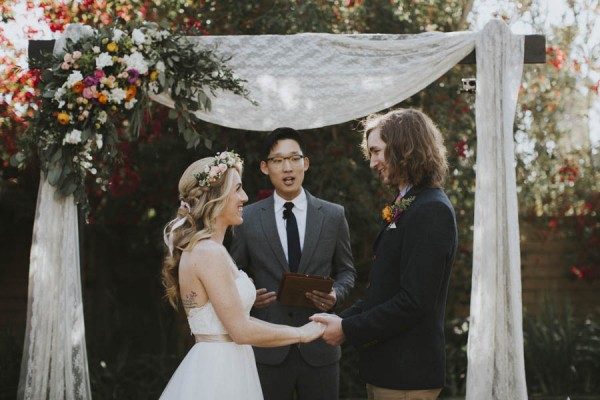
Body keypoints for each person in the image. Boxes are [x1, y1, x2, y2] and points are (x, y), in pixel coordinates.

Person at [312, 108, 458, 400]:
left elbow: (413, 302)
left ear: (405, 146)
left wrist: (348, 329)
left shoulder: (431, 210)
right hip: (389, 370)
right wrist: (340, 319)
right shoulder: (408, 203)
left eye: (377, 151)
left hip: (408, 375)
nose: (373, 163)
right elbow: (383, 290)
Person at [159, 151, 324, 400]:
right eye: (237, 189)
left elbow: (233, 321)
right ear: (216, 197)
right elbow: (241, 331)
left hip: (227, 361)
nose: (244, 197)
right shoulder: (208, 252)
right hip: (219, 373)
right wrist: (302, 333)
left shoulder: (209, 250)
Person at [229, 128, 356, 400]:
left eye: (294, 158)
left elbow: (347, 271)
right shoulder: (247, 218)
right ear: (265, 167)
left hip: (320, 347)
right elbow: (232, 273)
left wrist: (335, 295)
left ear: (305, 163)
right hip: (267, 348)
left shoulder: (333, 215)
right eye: (277, 160)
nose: (287, 167)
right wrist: (249, 296)